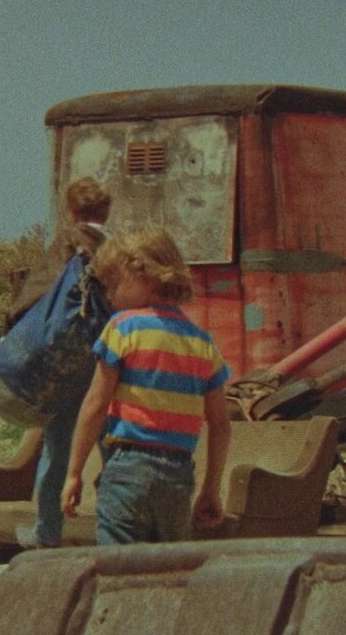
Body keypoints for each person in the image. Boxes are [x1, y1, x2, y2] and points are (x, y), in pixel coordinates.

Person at [61, 228, 232, 544]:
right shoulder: (203, 344)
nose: (109, 296)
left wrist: (74, 473)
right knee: (169, 565)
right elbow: (221, 425)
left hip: (129, 468)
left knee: (117, 564)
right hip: (178, 476)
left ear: (147, 278)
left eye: (114, 284)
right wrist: (211, 488)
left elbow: (95, 405)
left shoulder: (122, 329)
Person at [22, 176, 110, 548]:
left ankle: (47, 533)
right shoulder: (116, 249)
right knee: (112, 450)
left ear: (72, 212)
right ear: (106, 212)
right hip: (108, 363)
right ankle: (114, 532)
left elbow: (34, 297)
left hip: (68, 366)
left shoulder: (66, 243)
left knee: (57, 449)